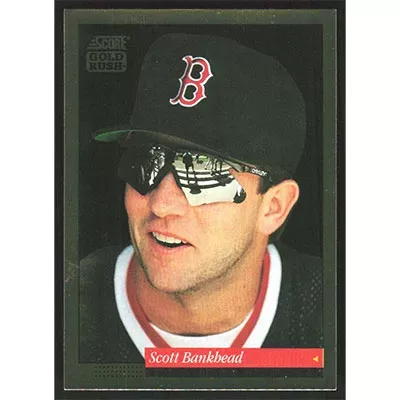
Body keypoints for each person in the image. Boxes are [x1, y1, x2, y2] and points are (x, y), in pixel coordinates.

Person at [79, 33, 323, 363]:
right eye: (145, 159)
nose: (161, 203)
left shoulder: (336, 317)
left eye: (205, 172)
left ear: (274, 207)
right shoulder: (63, 309)